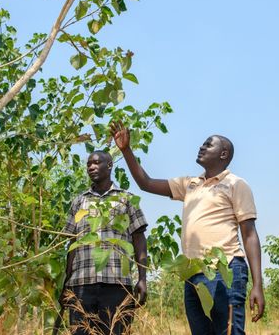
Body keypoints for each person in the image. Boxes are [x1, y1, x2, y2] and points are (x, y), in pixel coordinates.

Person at [110, 121, 265, 335]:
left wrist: (258, 284)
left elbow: (249, 235)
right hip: (193, 274)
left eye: (208, 144)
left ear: (224, 153)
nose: (201, 147)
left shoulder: (236, 184)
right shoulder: (190, 184)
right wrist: (126, 150)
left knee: (228, 332)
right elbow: (145, 182)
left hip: (225, 269)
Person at [63, 150, 148, 335]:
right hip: (81, 284)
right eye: (88, 165)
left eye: (96, 163)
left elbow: (139, 238)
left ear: (109, 165)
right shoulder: (79, 202)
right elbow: (72, 243)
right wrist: (66, 281)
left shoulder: (126, 199)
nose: (91, 167)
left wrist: (142, 278)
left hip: (117, 284)